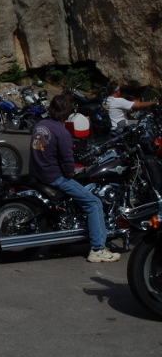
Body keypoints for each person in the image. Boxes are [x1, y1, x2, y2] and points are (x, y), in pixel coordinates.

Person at [30, 94, 119, 263]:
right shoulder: (62, 132)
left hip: (38, 173)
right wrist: (72, 173)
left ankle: (60, 240)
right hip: (53, 177)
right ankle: (98, 248)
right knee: (94, 203)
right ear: (67, 112)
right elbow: (68, 161)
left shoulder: (40, 125)